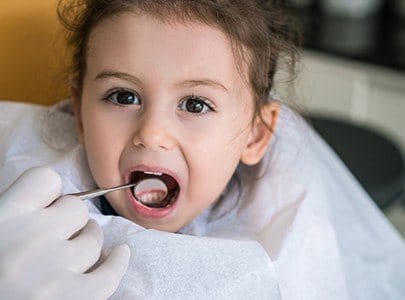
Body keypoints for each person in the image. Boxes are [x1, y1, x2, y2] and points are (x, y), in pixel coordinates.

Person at [1, 0, 404, 299]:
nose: (153, 134)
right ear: (80, 113)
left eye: (195, 104)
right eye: (123, 96)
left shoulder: (294, 238)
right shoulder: (17, 193)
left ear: (255, 135)